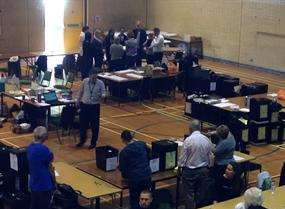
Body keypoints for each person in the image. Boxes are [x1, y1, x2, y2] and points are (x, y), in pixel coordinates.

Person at [178, 120, 213, 209]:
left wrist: (179, 167)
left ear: (190, 129)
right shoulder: (206, 139)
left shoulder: (188, 140)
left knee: (189, 194)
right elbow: (210, 155)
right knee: (200, 193)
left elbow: (183, 157)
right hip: (203, 171)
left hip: (190, 171)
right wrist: (209, 167)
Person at [119, 130, 152, 209]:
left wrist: (126, 177)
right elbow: (150, 153)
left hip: (135, 179)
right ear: (132, 137)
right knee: (146, 199)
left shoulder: (124, 152)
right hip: (147, 175)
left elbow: (123, 168)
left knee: (135, 200)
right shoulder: (142, 144)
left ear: (123, 140)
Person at [76, 68, 106, 149]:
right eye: (92, 78)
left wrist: (102, 95)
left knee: (95, 126)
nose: (94, 79)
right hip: (84, 105)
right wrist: (78, 100)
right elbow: (81, 92)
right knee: (83, 124)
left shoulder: (100, 83)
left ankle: (93, 142)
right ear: (89, 76)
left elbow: (104, 93)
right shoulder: (85, 81)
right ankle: (82, 140)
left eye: (95, 78)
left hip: (94, 107)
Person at [27, 126, 55, 209]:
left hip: (33, 182)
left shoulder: (30, 147)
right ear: (45, 137)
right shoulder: (43, 149)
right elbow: (50, 159)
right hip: (44, 184)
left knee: (34, 205)